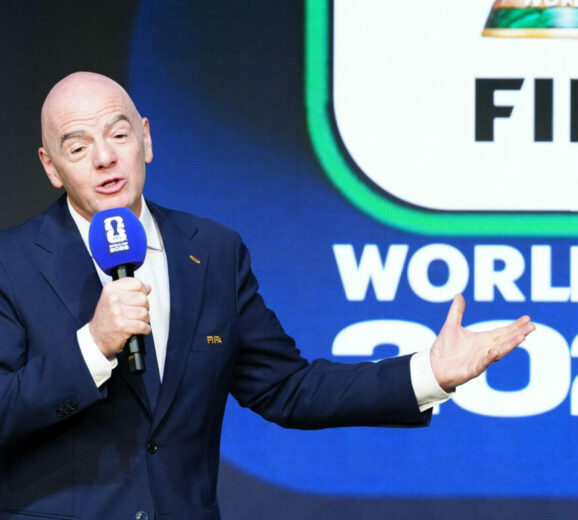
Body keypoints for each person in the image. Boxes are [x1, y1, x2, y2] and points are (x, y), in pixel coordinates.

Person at [0, 72, 535, 520]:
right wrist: (93, 346)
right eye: (78, 146)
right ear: (50, 166)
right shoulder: (12, 264)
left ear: (146, 138)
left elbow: (287, 388)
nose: (103, 158)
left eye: (118, 134)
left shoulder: (211, 252)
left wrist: (429, 373)